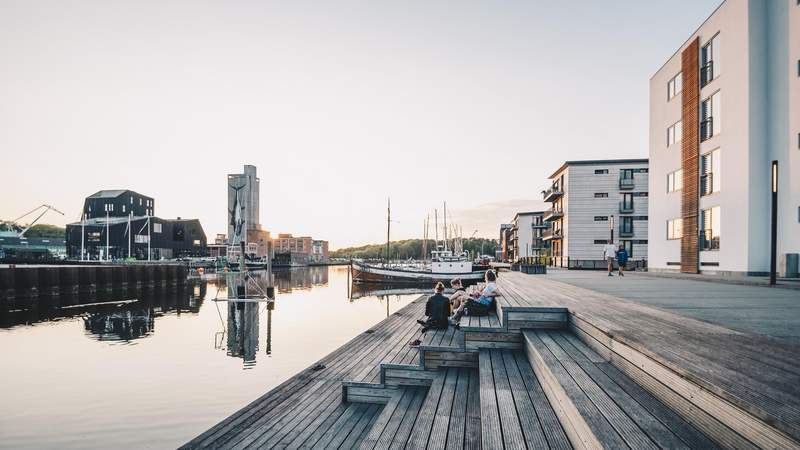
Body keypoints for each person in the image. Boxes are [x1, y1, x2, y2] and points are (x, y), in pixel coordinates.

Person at [409, 282, 450, 347]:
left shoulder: (430, 298)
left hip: (433, 322)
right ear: (443, 290)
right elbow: (448, 314)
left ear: (435, 290)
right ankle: (426, 325)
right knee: (434, 322)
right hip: (443, 324)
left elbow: (427, 314)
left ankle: (420, 339)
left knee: (429, 323)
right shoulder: (447, 299)